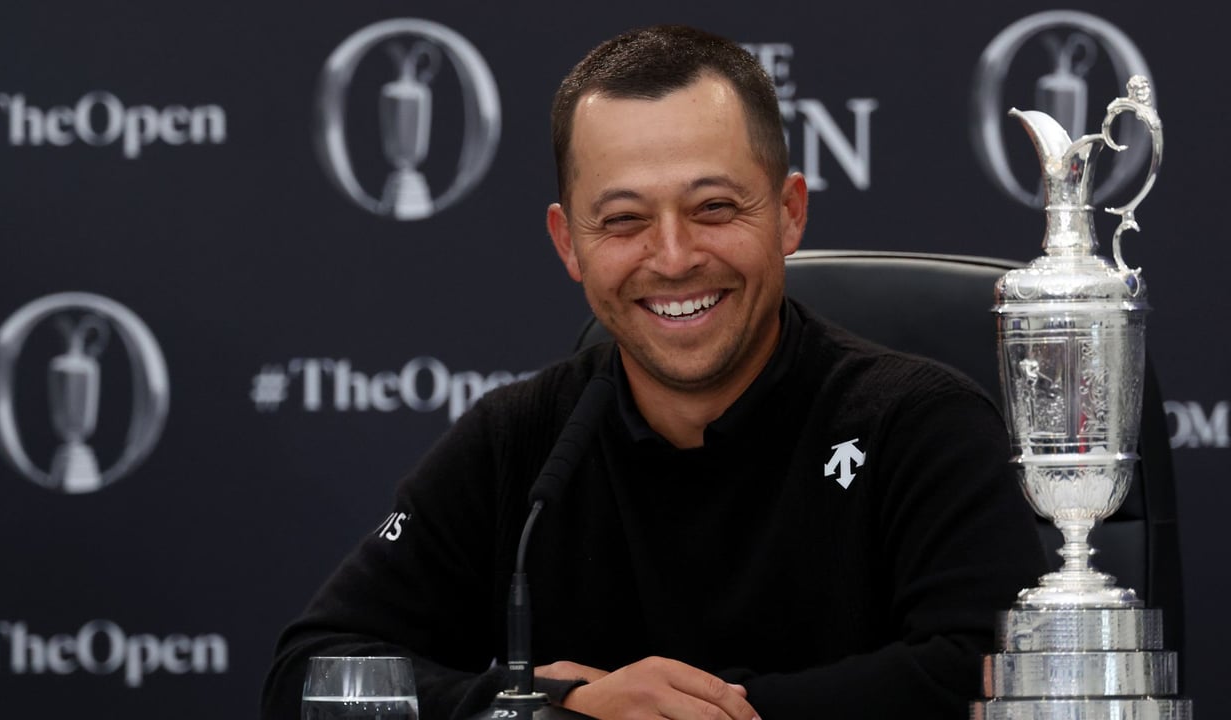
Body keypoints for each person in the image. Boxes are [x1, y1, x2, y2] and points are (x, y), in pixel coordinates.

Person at [263, 24, 1046, 720]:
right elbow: (313, 676)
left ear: (789, 214)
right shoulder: (519, 441)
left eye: (712, 208)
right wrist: (545, 706)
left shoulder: (922, 424)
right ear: (569, 244)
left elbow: (987, 675)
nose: (672, 259)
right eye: (625, 220)